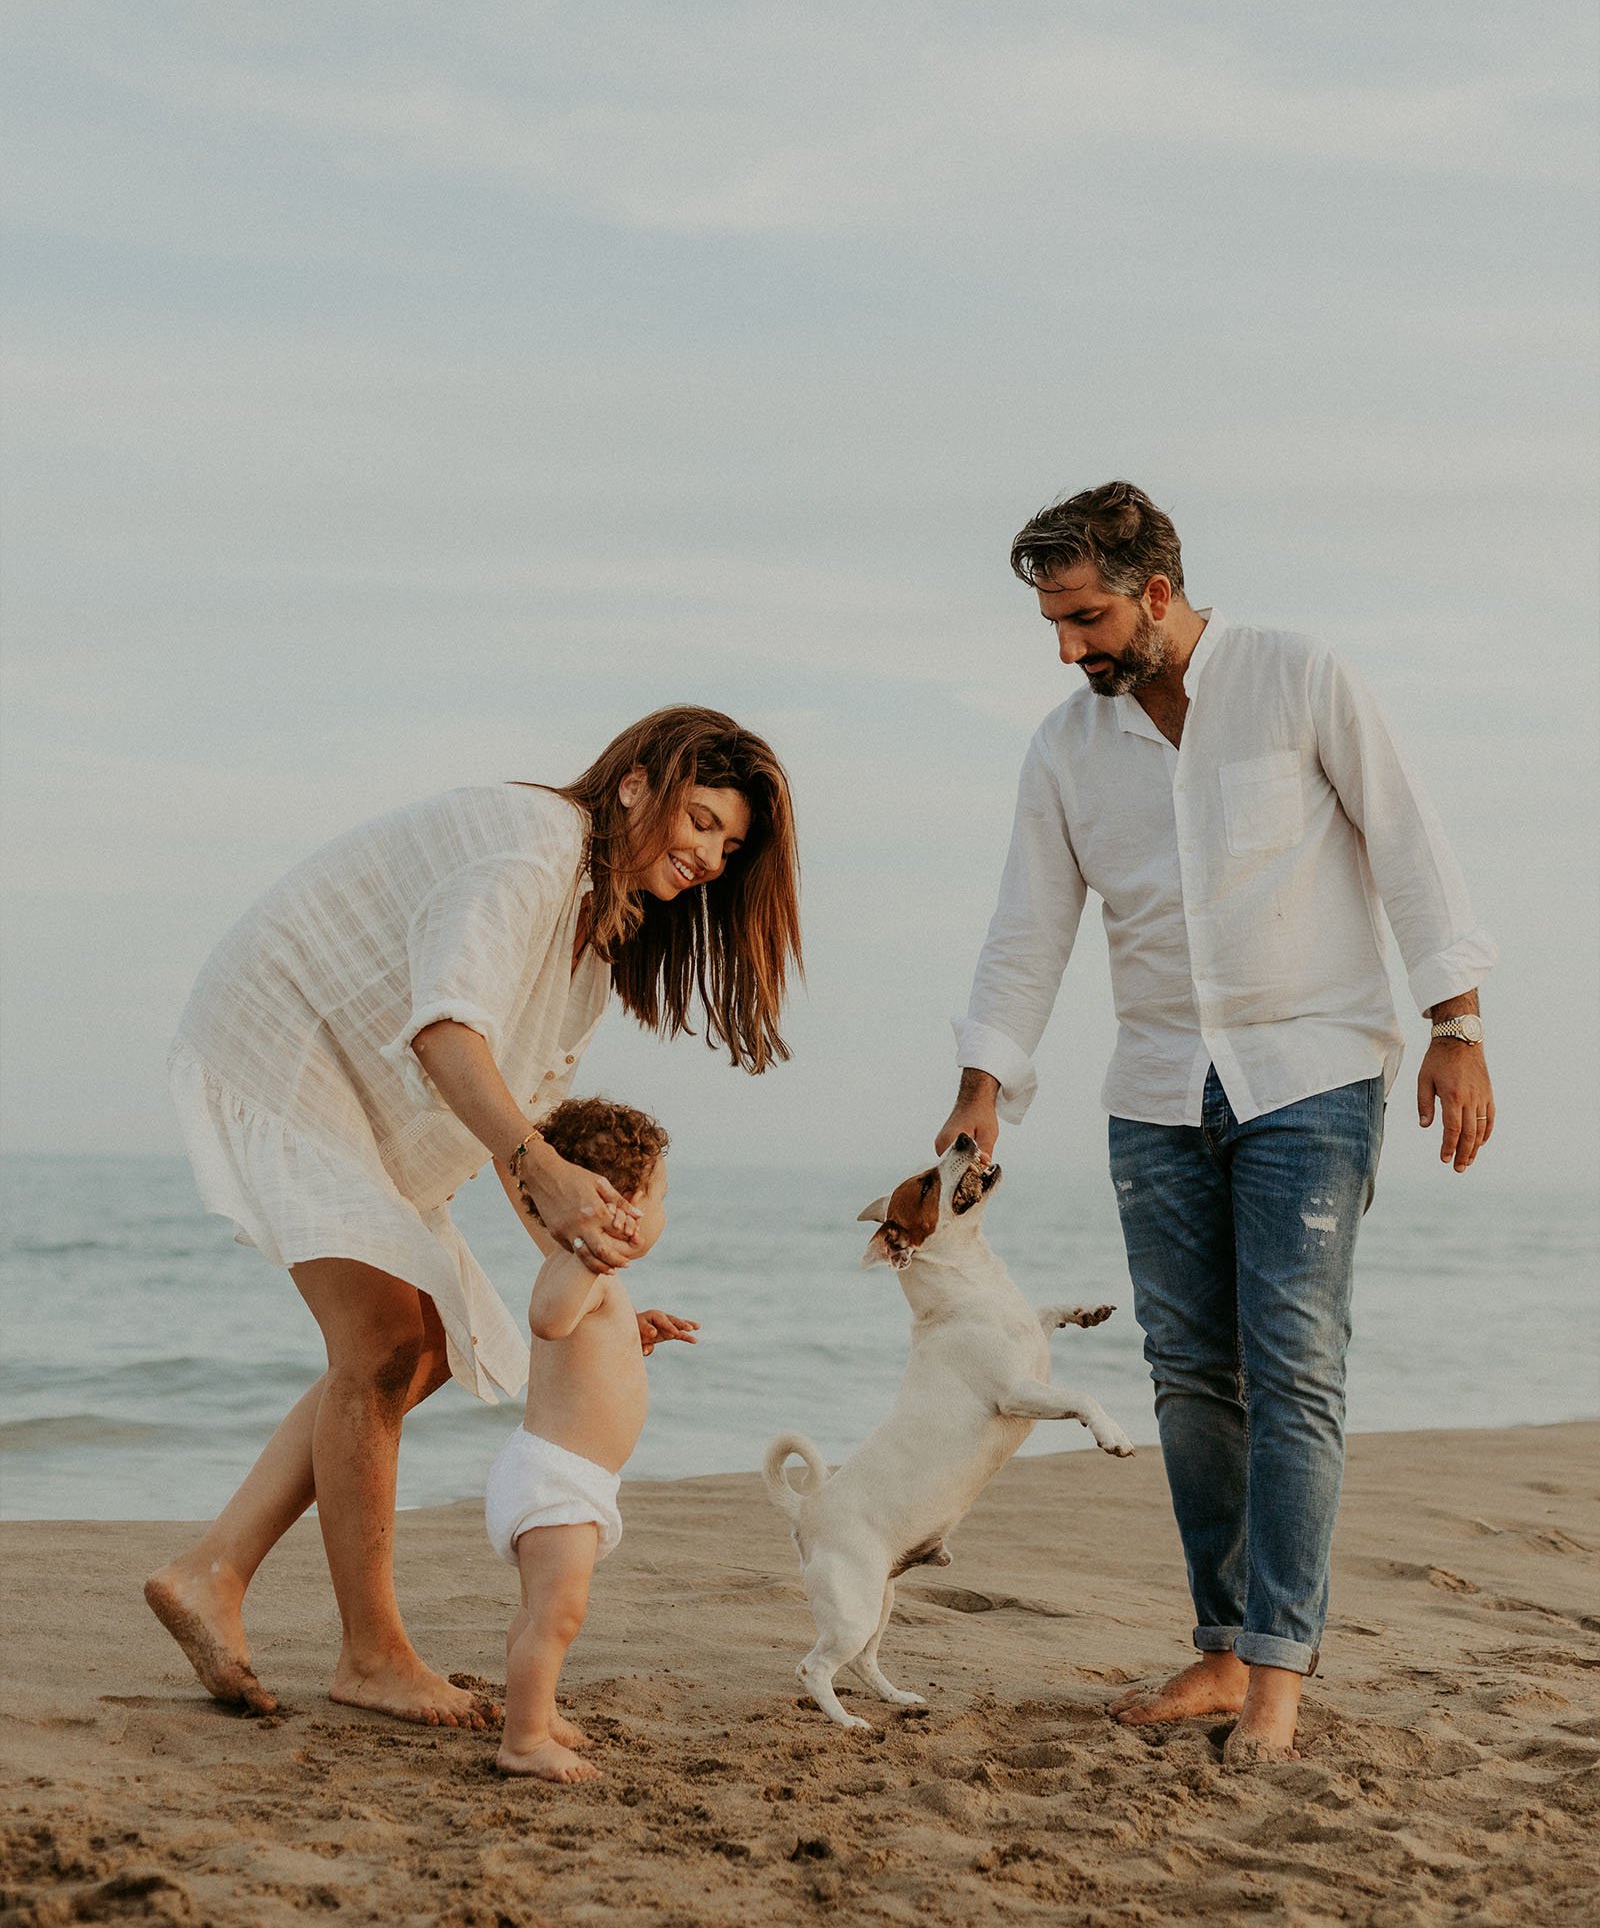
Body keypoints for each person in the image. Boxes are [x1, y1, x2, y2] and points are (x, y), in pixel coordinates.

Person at [936, 483, 1496, 1765]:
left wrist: (1455, 1027)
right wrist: (984, 1084)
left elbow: (1409, 845)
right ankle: (1222, 1646)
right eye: (1050, 620)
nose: (1065, 646)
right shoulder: (1065, 750)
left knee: (1292, 1365)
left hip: (1313, 1075)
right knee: (1190, 1376)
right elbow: (1029, 928)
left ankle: (1280, 1679)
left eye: (1081, 616)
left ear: (1154, 593)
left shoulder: (1299, 678)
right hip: (1153, 1093)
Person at [144, 707, 800, 1727]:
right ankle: (370, 1654)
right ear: (635, 784)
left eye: (730, 843)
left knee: (425, 1345)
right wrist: (540, 1163)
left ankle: (211, 1570)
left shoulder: (597, 931)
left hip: (354, 1083)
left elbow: (519, 1110)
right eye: (702, 820)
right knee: (383, 1342)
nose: (711, 855)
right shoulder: (532, 845)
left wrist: (589, 1279)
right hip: (284, 1038)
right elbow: (448, 1032)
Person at [485, 1095, 694, 1782]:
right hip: (557, 1481)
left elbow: (580, 1347)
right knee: (558, 1615)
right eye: (658, 1199)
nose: (661, 1215)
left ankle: (535, 1715)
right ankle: (522, 1742)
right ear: (620, 1207)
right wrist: (588, 1264)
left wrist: (633, 1338)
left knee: (539, 1613)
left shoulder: (597, 1281)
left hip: (566, 1477)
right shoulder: (582, 1269)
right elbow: (548, 1321)